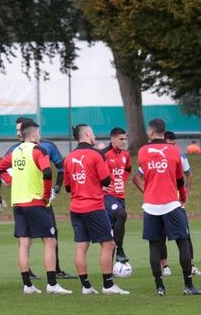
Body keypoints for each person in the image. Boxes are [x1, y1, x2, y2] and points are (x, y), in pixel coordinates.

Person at [0, 120, 71, 295]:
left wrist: (12, 181)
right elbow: (48, 171)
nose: (40, 136)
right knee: (50, 241)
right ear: (34, 135)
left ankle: (27, 285)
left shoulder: (15, 152)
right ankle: (52, 284)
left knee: (24, 243)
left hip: (19, 203)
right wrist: (45, 195)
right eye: (39, 133)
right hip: (35, 202)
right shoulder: (39, 150)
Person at [138, 118, 201, 296]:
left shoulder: (143, 151)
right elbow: (179, 179)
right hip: (171, 204)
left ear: (150, 132)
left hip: (150, 205)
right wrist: (183, 197)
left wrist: (148, 191)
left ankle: (159, 287)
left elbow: (142, 176)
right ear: (164, 132)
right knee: (183, 242)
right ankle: (188, 285)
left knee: (154, 245)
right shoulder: (174, 151)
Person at [64, 124, 129, 295]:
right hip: (93, 206)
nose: (94, 136)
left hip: (75, 208)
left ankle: (86, 287)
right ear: (86, 134)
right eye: (92, 133)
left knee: (81, 246)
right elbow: (107, 180)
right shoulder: (95, 155)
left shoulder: (69, 157)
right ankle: (108, 285)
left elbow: (68, 187)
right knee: (108, 244)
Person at [157, 131, 201, 277]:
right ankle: (165, 266)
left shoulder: (179, 156)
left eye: (173, 144)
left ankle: (191, 265)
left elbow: (189, 174)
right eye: (168, 144)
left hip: (176, 203)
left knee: (185, 234)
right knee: (160, 235)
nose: (171, 147)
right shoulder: (155, 156)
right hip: (159, 202)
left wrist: (186, 193)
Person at [101, 127, 132, 263]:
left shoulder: (125, 155)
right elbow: (93, 172)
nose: (124, 141)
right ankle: (120, 249)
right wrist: (100, 185)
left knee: (114, 230)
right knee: (121, 214)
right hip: (107, 196)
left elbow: (128, 169)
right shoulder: (103, 154)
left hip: (121, 196)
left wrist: (121, 180)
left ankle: (111, 267)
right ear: (112, 139)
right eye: (121, 139)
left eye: (125, 139)